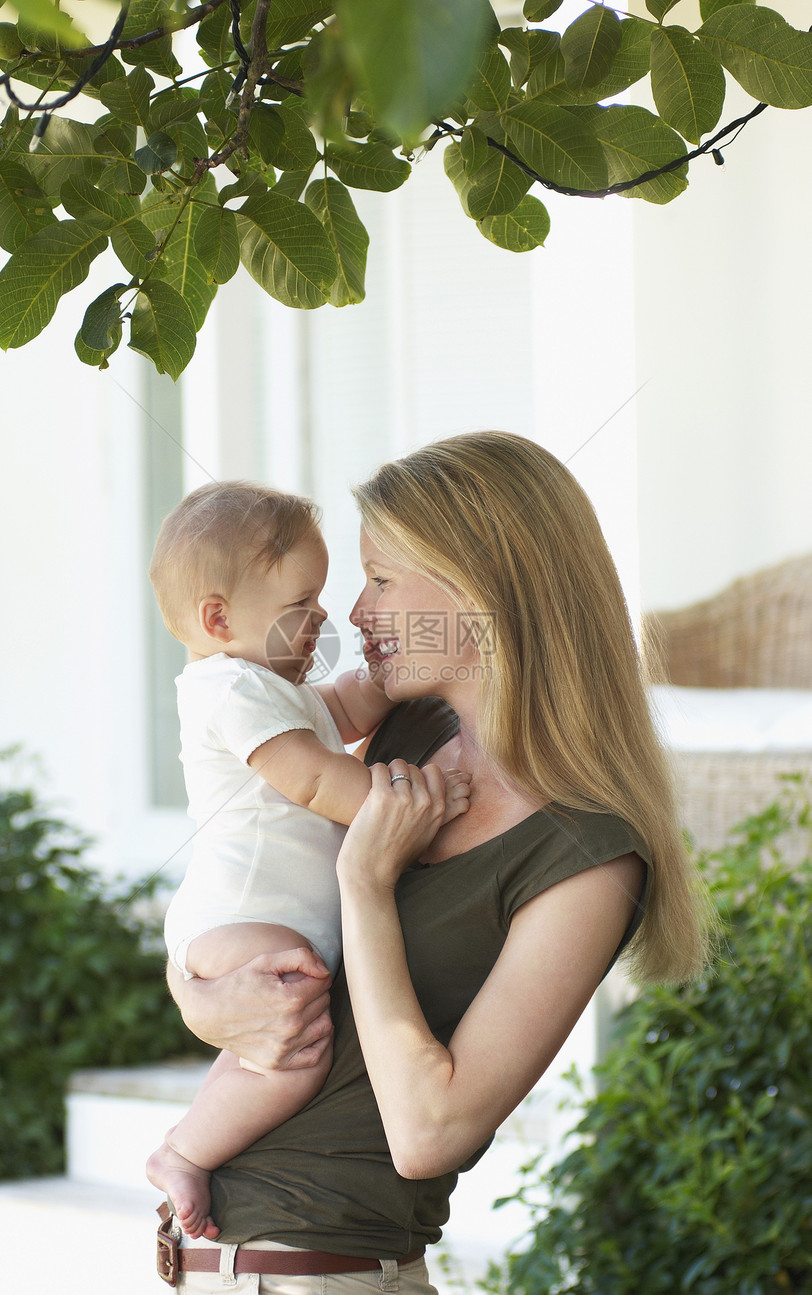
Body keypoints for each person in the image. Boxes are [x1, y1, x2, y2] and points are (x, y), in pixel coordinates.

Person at [161, 431, 713, 1293]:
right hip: (210, 1257)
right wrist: (200, 996)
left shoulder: (588, 856)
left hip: (330, 1269)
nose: (355, 613)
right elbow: (259, 891)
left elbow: (428, 1130)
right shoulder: (410, 736)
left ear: (481, 586)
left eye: (380, 578)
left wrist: (367, 882)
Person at [145, 478, 474, 1240]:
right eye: (302, 603)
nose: (324, 615)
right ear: (219, 618)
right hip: (242, 916)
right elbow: (315, 776)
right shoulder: (229, 686)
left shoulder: (271, 688)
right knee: (294, 1049)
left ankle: (191, 1139)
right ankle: (185, 1150)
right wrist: (405, 802)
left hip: (257, 915)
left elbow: (354, 703)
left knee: (282, 1036)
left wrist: (411, 660)